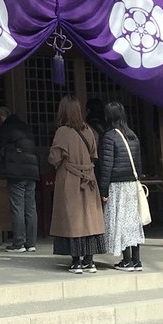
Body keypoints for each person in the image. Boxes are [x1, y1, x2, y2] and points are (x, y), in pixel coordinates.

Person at [49, 94, 106, 273]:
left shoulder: (62, 132)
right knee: (90, 219)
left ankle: (76, 262)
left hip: (70, 179)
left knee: (72, 220)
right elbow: (94, 154)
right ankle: (90, 261)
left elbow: (55, 158)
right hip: (89, 179)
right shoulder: (88, 130)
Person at [97, 101, 147, 271]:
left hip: (117, 185)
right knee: (133, 221)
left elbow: (106, 165)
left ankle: (126, 260)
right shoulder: (132, 135)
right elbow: (138, 164)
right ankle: (136, 260)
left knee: (121, 222)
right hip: (132, 184)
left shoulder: (110, 136)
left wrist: (103, 189)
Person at [0, 106, 39, 252]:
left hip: (16, 170)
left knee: (17, 206)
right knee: (30, 207)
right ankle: (31, 243)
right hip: (31, 170)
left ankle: (18, 242)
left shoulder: (6, 128)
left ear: (1, 117)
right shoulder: (25, 127)